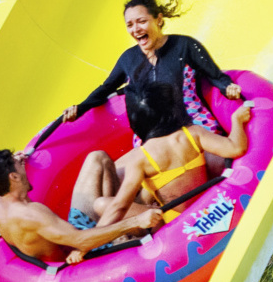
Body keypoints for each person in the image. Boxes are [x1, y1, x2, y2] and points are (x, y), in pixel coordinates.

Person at [63, 0, 237, 132]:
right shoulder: (128, 59)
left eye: (141, 21)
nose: (135, 29)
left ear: (159, 19)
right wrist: (80, 108)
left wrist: (227, 87)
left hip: (194, 124)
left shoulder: (184, 45)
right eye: (130, 25)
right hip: (153, 135)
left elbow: (215, 76)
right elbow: (105, 89)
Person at [81, 81, 253, 227]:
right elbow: (237, 148)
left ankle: (98, 236)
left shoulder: (141, 158)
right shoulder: (193, 133)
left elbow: (119, 206)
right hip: (203, 203)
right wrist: (236, 121)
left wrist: (92, 242)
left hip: (172, 220)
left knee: (102, 204)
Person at [0, 149, 163, 264]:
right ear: (14, 177)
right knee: (108, 207)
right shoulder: (32, 214)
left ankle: (119, 206)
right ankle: (127, 224)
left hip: (75, 231)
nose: (22, 164)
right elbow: (81, 242)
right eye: (18, 164)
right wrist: (135, 221)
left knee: (97, 158)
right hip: (84, 253)